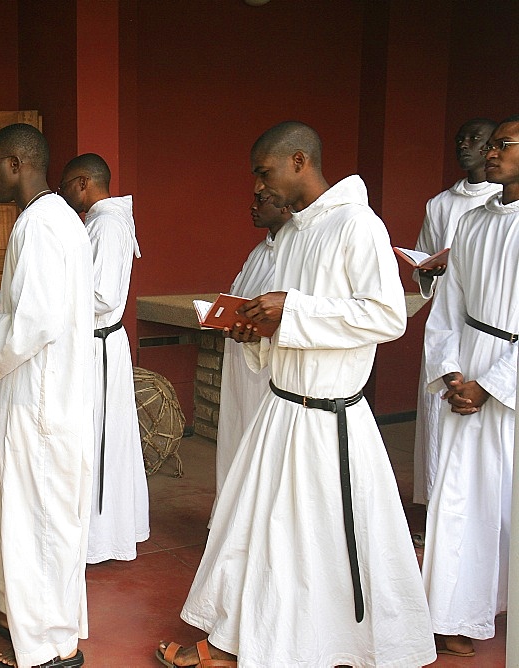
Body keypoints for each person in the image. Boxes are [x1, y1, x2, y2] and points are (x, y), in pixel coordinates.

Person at [157, 122, 435, 667]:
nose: (259, 186)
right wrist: (255, 329)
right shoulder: (296, 234)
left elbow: (386, 314)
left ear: (300, 161)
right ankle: (239, 641)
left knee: (313, 543)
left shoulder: (358, 224)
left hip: (330, 421)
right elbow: (284, 321)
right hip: (281, 409)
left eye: (265, 172)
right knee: (259, 533)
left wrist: (293, 309)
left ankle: (305, 645)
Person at [0, 124, 94, 668]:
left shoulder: (40, 224)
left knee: (40, 519)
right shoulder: (54, 219)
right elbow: (36, 304)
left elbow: (36, 321)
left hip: (43, 403)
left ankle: (50, 647)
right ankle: (3, 602)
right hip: (41, 395)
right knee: (10, 503)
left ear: (16, 163)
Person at [421, 116, 519, 659]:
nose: (492, 153)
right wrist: (454, 373)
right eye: (495, 144)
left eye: (505, 144)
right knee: (461, 493)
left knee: (504, 498)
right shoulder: (474, 222)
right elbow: (448, 308)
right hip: (469, 366)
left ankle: (496, 599)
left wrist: (493, 384)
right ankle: (456, 610)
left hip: (507, 371)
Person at [57, 152, 149, 563]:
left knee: (101, 439)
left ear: (83, 182)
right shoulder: (97, 223)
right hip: (91, 344)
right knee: (92, 437)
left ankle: (101, 538)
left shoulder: (108, 225)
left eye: (65, 187)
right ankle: (94, 533)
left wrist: (49, 296)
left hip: (100, 346)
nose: (63, 195)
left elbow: (103, 295)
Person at [411, 118, 500, 508]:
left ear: (491, 147)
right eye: (460, 138)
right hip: (446, 325)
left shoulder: (502, 204)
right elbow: (425, 255)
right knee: (438, 412)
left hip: (487, 321)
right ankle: (437, 501)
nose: (465, 145)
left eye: (475, 139)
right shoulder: (441, 203)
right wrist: (428, 270)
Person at [210, 192, 290, 516]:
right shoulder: (259, 251)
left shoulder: (295, 253)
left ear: (285, 206)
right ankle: (230, 518)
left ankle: (257, 521)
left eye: (262, 200)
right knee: (235, 437)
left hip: (268, 372)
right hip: (240, 364)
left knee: (264, 450)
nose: (252, 207)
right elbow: (238, 293)